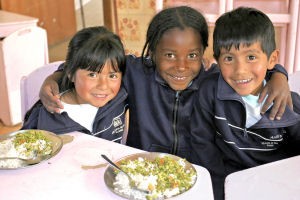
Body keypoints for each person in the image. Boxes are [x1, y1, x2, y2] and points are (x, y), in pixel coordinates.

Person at [39, 6, 291, 159]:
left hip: (195, 172)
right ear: (152, 53)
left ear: (204, 52)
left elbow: (249, 71)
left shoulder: (214, 80)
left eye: (192, 55)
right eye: (169, 55)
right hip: (141, 167)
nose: (181, 66)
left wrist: (279, 75)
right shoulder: (136, 73)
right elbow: (95, 62)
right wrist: (58, 76)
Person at [190, 7, 300, 200]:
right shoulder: (209, 92)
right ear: (217, 60)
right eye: (229, 58)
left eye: (251, 57)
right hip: (227, 183)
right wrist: (218, 191)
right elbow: (202, 144)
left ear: (272, 59)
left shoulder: (288, 103)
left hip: (276, 187)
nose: (240, 70)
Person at [22, 26, 129, 143]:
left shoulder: (120, 97)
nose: (103, 86)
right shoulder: (47, 118)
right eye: (92, 75)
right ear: (70, 73)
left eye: (112, 76)